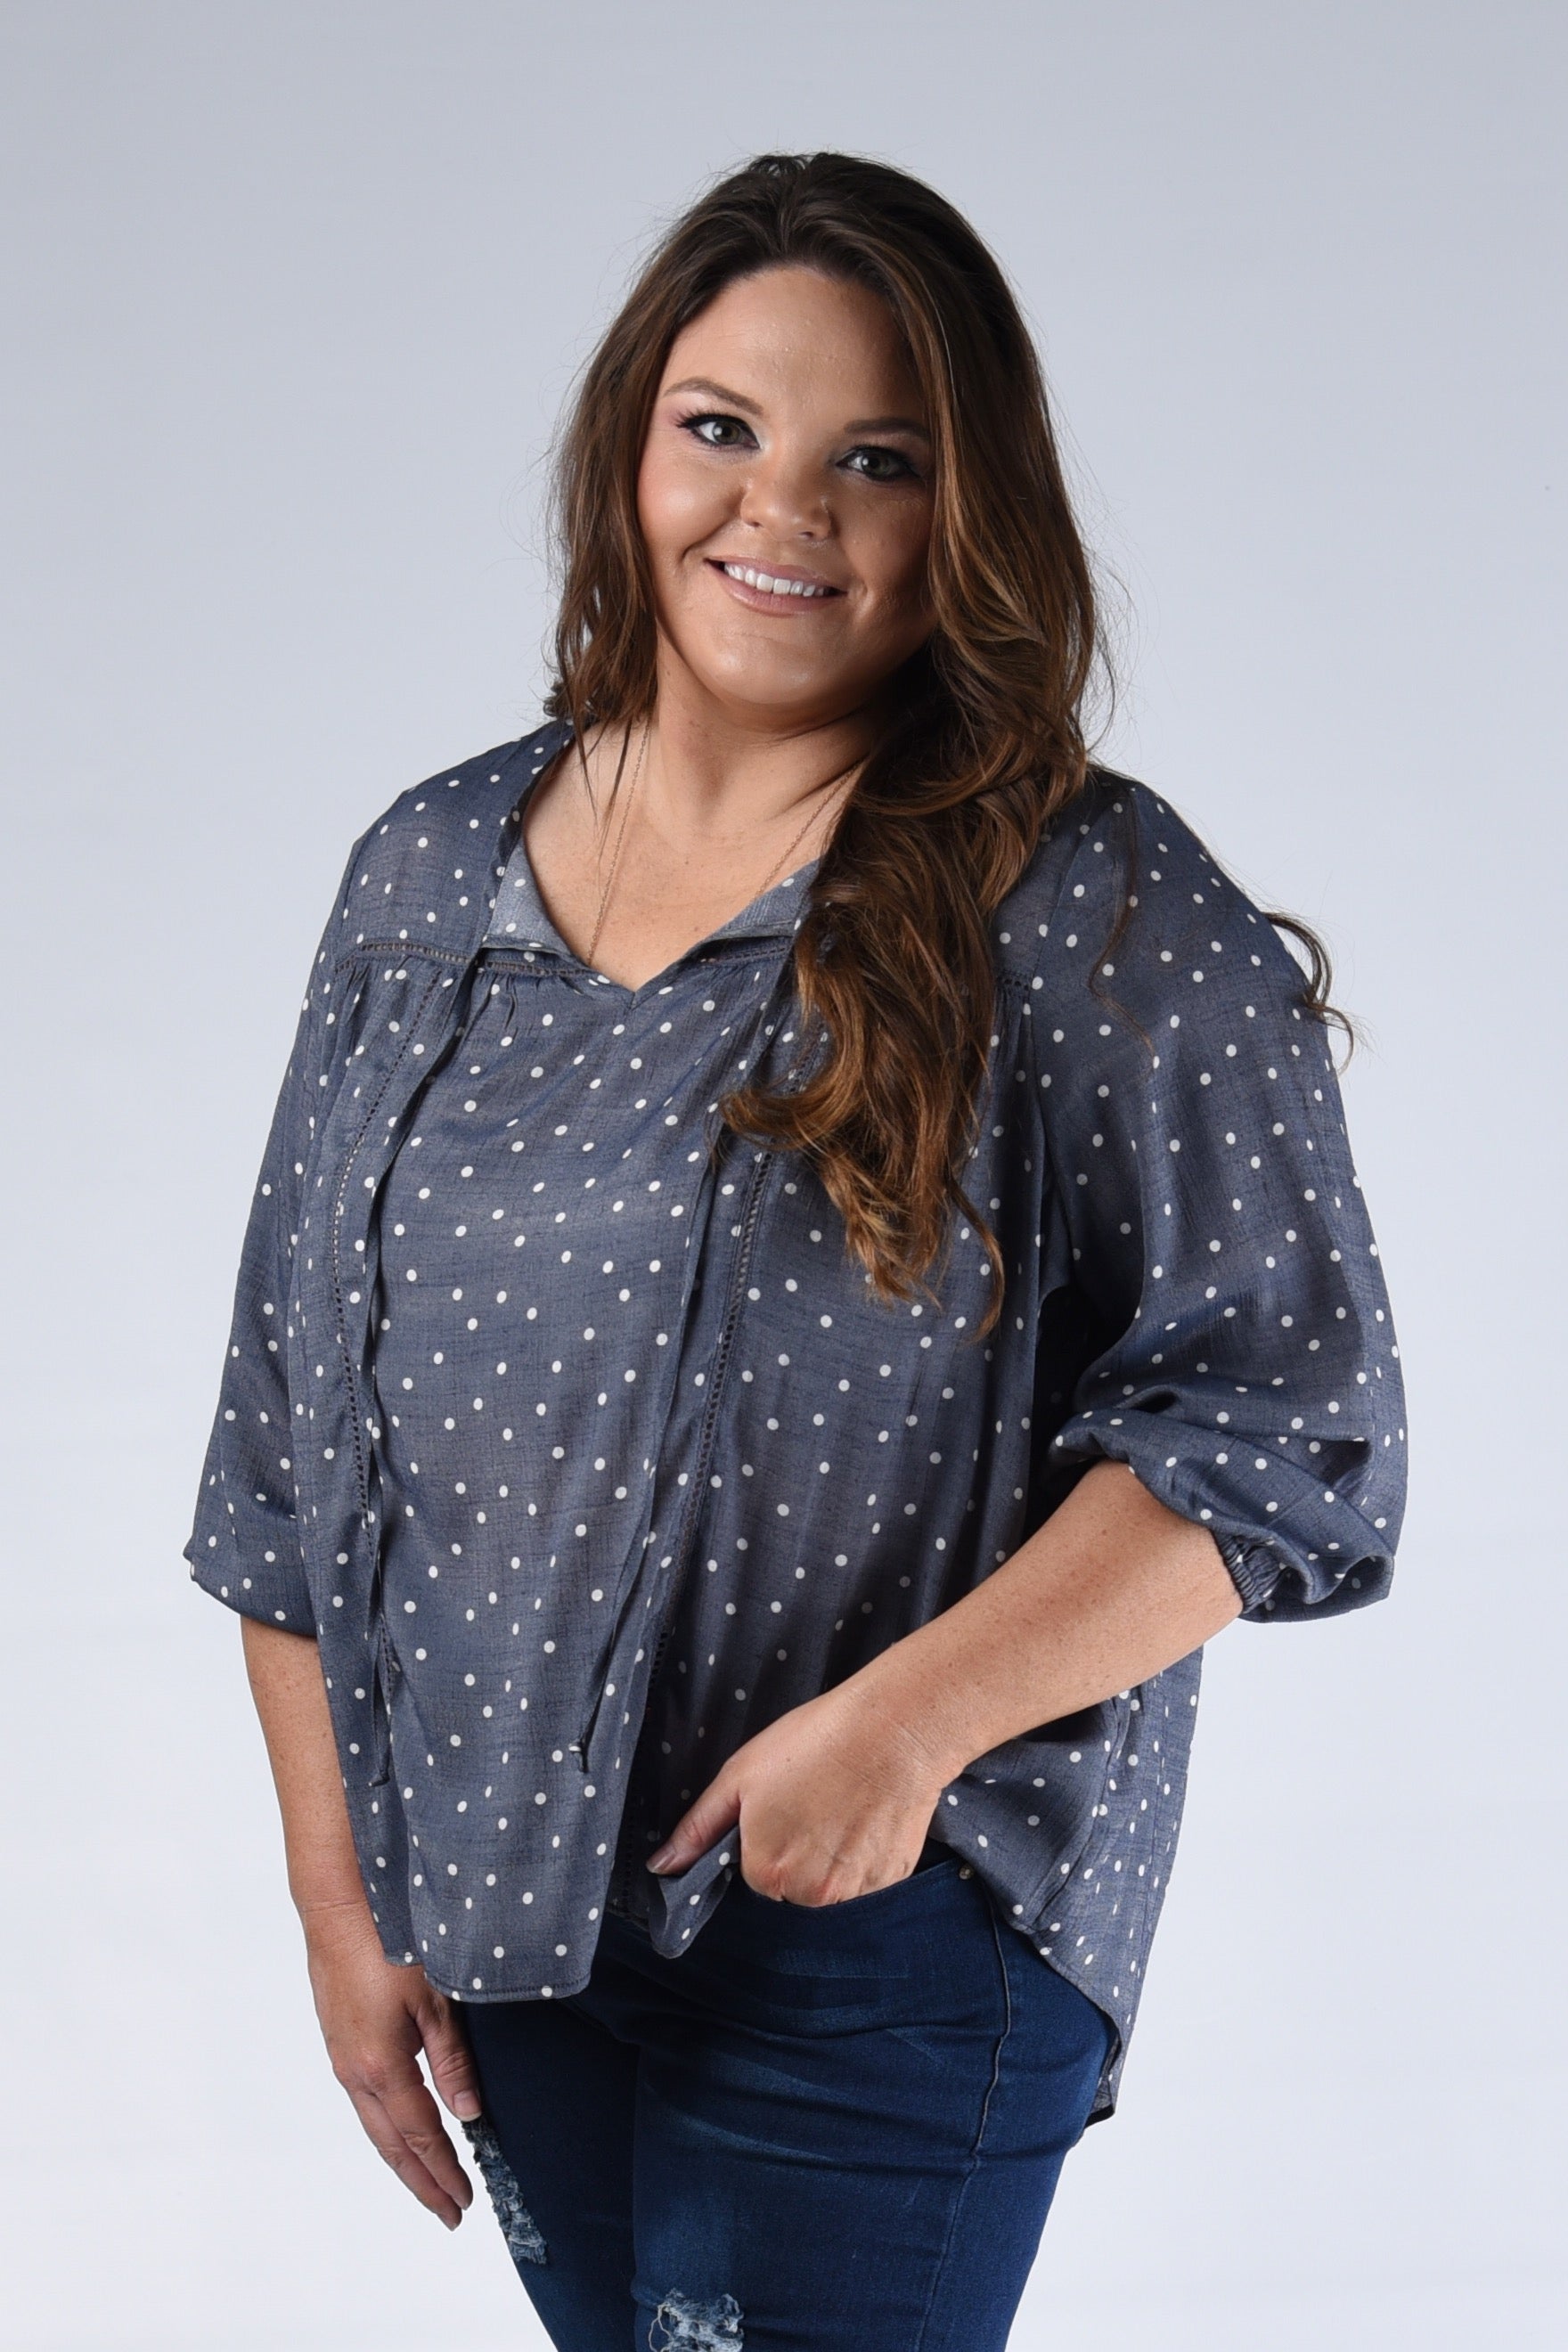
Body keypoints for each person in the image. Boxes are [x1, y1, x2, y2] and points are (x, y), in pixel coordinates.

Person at [186, 151, 1406, 2352]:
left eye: (879, 459)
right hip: (505, 1915)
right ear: (629, 448)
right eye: (722, 428)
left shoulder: (1090, 906)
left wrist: (900, 1735)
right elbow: (285, 1442)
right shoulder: (425, 877)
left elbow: (1285, 1437)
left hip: (885, 1928)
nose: (786, 511)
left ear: (969, 512)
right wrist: (332, 1887)